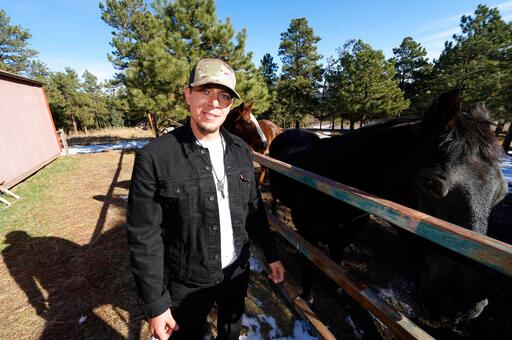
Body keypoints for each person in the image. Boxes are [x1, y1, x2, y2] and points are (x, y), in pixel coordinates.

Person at [126, 58, 285, 340]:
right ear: (188, 95)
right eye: (205, 92)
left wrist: (271, 254)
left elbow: (254, 209)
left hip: (237, 271)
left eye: (223, 96)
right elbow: (144, 236)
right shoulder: (156, 157)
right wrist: (156, 304)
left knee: (230, 332)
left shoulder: (240, 151)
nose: (214, 103)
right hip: (188, 280)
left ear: (229, 106)